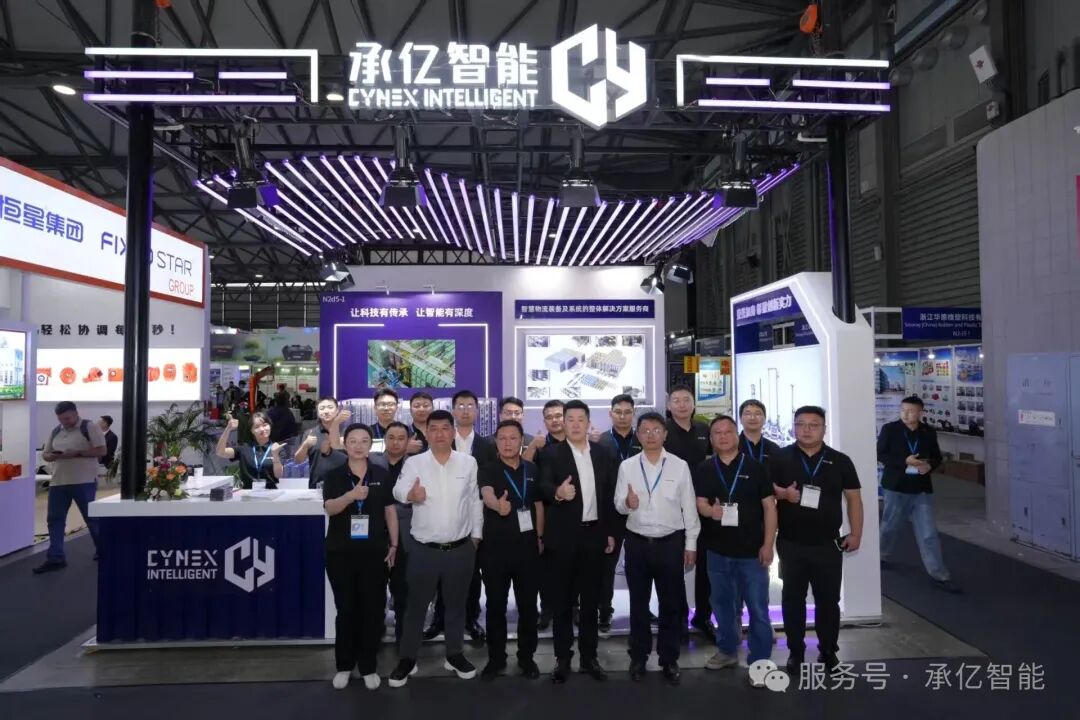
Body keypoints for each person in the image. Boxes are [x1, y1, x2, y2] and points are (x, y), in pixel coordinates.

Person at [390, 410, 483, 687]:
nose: (440, 433)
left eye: (445, 428)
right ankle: (408, 659)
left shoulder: (468, 462)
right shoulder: (414, 463)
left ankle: (454, 655)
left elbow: (474, 501)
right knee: (416, 607)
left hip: (460, 548)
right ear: (426, 433)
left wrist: (476, 537)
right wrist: (410, 494)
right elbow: (397, 490)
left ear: (453, 432)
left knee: (456, 606)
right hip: (424, 550)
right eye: (434, 428)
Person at [771, 406, 864, 674]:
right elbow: (766, 492)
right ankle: (795, 652)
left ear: (824, 428)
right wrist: (783, 493)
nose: (807, 430)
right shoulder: (780, 457)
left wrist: (856, 533)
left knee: (828, 601)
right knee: (792, 599)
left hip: (828, 544)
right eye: (801, 424)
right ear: (794, 428)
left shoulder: (840, 460)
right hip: (791, 543)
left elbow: (854, 499)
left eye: (814, 425)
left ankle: (828, 650)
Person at [614, 412, 700, 685]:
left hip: (670, 544)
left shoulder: (679, 466)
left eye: (656, 430)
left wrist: (691, 544)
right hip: (637, 543)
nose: (650, 435)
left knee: (671, 604)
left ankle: (669, 658)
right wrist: (627, 503)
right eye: (645, 430)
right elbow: (618, 504)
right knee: (638, 605)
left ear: (665, 434)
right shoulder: (627, 466)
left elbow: (689, 508)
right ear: (638, 435)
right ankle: (638, 658)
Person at [539, 400, 617, 684]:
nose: (574, 424)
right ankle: (562, 658)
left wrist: (610, 531)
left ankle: (589, 657)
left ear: (588, 423)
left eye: (579, 419)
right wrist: (557, 493)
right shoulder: (551, 453)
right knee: (562, 602)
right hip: (562, 539)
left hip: (594, 536)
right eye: (569, 419)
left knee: (591, 602)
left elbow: (609, 495)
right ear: (564, 422)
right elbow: (542, 486)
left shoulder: (602, 453)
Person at [694, 416, 776, 685]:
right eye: (717, 433)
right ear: (711, 439)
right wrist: (711, 511)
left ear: (736, 436)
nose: (723, 436)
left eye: (728, 431)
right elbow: (700, 503)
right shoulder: (704, 468)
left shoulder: (756, 467)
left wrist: (768, 544)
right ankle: (727, 650)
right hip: (717, 550)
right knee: (722, 605)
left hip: (752, 552)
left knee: (758, 608)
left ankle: (760, 661)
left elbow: (769, 507)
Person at [321, 423, 400, 691]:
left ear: (371, 445)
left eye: (364, 441)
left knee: (372, 610)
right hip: (340, 553)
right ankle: (344, 665)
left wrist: (394, 544)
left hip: (375, 553)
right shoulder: (334, 475)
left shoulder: (381, 474)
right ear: (345, 444)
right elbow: (330, 508)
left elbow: (390, 511)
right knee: (346, 610)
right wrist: (350, 496)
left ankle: (368, 666)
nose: (358, 446)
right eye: (353, 441)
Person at [425, 390, 495, 643]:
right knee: (441, 570)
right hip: (446, 515)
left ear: (477, 411)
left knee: (472, 571)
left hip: (477, 516)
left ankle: (470, 619)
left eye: (470, 406)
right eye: (461, 406)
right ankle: (439, 620)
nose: (465, 410)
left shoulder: (489, 445)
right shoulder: (441, 441)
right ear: (453, 410)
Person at [478, 420, 544, 681]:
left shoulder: (532, 469)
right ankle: (496, 659)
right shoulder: (488, 469)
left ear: (521, 442)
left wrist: (540, 537)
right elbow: (486, 494)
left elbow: (538, 505)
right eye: (502, 438)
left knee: (528, 607)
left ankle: (527, 658)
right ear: (496, 442)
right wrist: (497, 506)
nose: (507, 443)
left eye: (513, 438)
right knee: (496, 606)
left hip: (527, 550)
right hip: (495, 551)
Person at [878, 395, 959, 593]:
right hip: (896, 487)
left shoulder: (928, 432)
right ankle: (880, 555)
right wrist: (904, 461)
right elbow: (880, 454)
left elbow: (937, 456)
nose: (905, 414)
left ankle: (940, 575)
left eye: (910, 411)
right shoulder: (890, 429)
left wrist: (929, 466)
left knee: (928, 533)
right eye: (903, 410)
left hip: (921, 488)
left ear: (920, 412)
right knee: (890, 526)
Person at [663, 384, 714, 637]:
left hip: (702, 505)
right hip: (672, 507)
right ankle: (679, 618)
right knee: (674, 566)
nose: (682, 405)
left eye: (686, 400)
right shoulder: (663, 431)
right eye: (676, 400)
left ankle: (703, 617)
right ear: (669, 406)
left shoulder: (704, 430)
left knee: (705, 565)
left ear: (693, 404)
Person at [34, 401, 107, 574]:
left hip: (84, 481)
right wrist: (51, 456)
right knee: (55, 520)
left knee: (92, 518)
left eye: (67, 418)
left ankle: (104, 551)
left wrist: (77, 453)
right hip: (58, 482)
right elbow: (46, 454)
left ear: (75, 413)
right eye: (61, 419)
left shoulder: (89, 427)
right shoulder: (56, 431)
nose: (65, 422)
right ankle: (56, 557)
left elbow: (102, 451)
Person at [594, 393, 642, 632]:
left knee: (639, 565)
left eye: (627, 412)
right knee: (606, 565)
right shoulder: (600, 442)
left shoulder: (643, 439)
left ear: (634, 414)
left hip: (639, 511)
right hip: (610, 512)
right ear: (610, 414)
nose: (623, 416)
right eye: (618, 412)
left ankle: (641, 609)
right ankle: (605, 609)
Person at [526, 398, 566, 630]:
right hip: (544, 513)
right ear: (544, 421)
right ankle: (547, 609)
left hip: (571, 512)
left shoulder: (577, 443)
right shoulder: (540, 445)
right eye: (549, 417)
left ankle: (572, 608)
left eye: (558, 415)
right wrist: (532, 446)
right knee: (544, 566)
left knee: (571, 566)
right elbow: (522, 468)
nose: (554, 420)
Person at [373, 421, 414, 644]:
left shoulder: (417, 465)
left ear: (408, 441)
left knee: (403, 589)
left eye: (401, 438)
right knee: (375, 588)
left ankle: (404, 637)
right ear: (384, 440)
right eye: (391, 437)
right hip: (377, 534)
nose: (396, 442)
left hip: (408, 536)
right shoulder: (371, 463)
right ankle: (376, 631)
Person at [215, 412, 286, 489]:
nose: (262, 429)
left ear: (270, 426)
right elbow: (220, 452)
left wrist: (275, 455)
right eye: (257, 427)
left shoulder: (277, 448)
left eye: (265, 425)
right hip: (247, 493)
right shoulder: (244, 448)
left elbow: (279, 475)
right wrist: (228, 429)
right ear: (252, 430)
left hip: (271, 492)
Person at [295, 397, 351, 490]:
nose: (326, 411)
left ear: (337, 410)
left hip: (344, 485)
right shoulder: (310, 433)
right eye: (322, 408)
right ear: (317, 412)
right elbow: (298, 460)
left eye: (330, 407)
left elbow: (336, 445)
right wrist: (305, 445)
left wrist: (336, 424)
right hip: (317, 486)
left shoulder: (347, 433)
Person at [738, 399, 782, 465]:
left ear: (764, 419)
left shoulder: (774, 449)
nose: (752, 418)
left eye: (757, 414)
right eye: (748, 414)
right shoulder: (731, 447)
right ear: (740, 419)